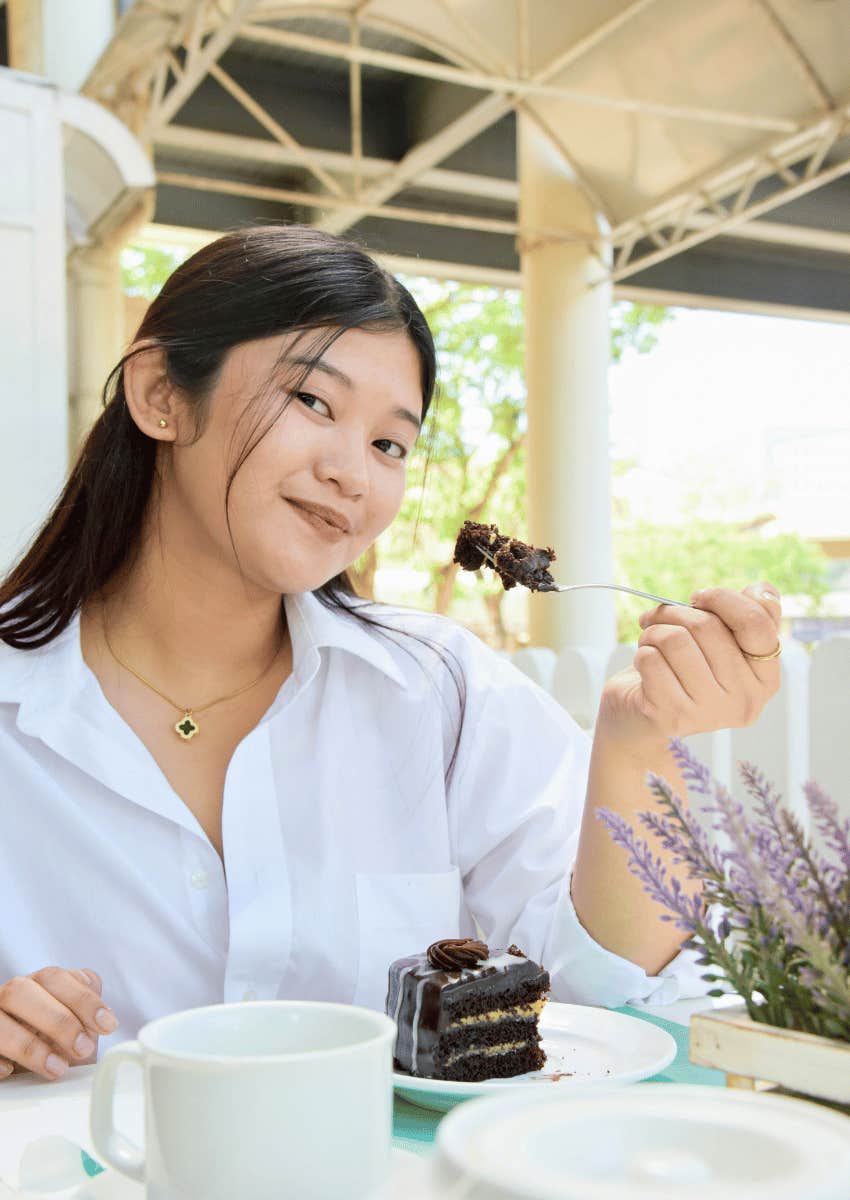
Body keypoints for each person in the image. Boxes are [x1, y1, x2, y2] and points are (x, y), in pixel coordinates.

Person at [0, 226, 782, 1082]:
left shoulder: (440, 692)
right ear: (161, 395)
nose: (353, 473)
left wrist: (637, 743)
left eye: (389, 445)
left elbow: (622, 994)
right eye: (312, 402)